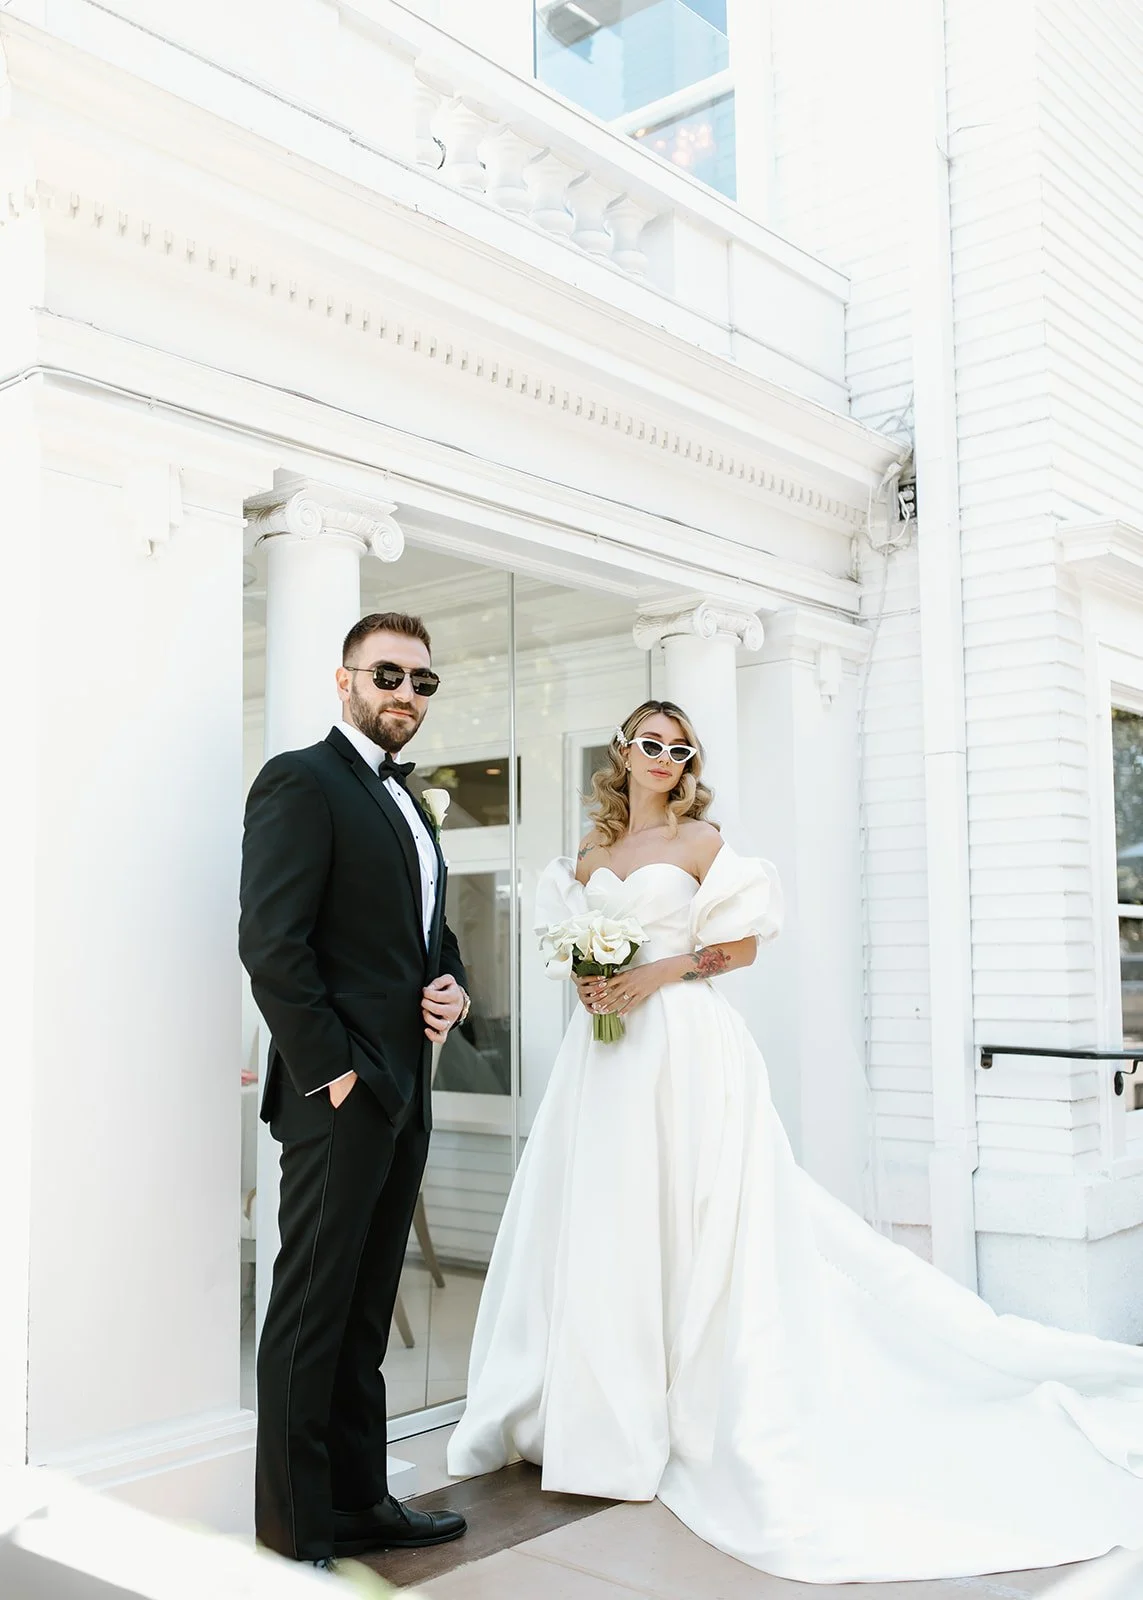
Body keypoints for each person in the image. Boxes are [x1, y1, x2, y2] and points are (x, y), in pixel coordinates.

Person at [448, 699, 1143, 1584]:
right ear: (621, 754)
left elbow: (737, 950)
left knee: (697, 1215)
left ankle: (692, 1403)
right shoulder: (586, 859)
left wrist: (658, 970)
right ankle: (599, 1412)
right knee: (609, 1216)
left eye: (679, 747)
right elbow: (572, 952)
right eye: (649, 743)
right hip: (606, 1061)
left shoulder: (703, 845)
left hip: (687, 1046)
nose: (664, 757)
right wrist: (593, 982)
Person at [240, 611, 469, 1569]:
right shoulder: (301, 779)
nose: (404, 696)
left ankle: (359, 1500)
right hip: (339, 1095)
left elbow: (420, 933)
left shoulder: (412, 806)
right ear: (345, 682)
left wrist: (451, 983)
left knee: (366, 1309)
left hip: (403, 1091)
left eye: (421, 682)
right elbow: (272, 943)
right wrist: (332, 1072)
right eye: (387, 676)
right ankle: (294, 1535)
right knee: (311, 1310)